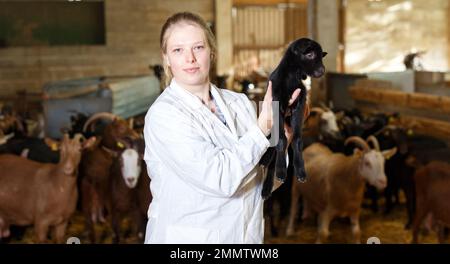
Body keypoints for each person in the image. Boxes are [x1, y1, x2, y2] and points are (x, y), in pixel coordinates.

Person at [143, 11, 301, 244]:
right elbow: (222, 180)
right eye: (178, 50)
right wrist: (262, 127)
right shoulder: (164, 116)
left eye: (198, 47)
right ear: (166, 58)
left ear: (212, 52)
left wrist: (281, 138)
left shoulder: (239, 103)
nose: (190, 58)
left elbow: (261, 182)